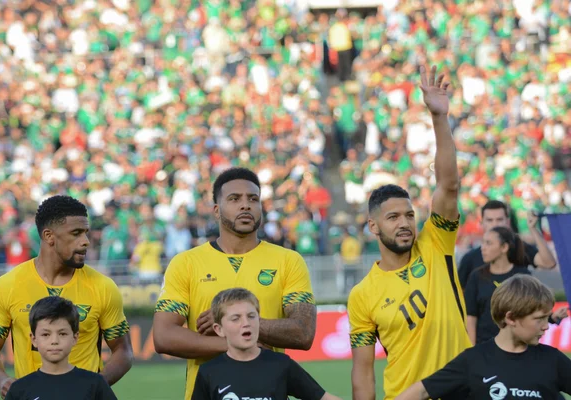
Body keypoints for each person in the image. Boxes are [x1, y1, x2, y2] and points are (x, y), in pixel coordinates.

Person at [348, 66, 471, 400]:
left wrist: (439, 118)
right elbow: (362, 371)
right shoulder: (362, 295)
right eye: (392, 218)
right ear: (373, 226)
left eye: (408, 215)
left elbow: (448, 185)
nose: (404, 223)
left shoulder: (436, 242)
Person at [153, 167, 317, 400]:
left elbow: (303, 332)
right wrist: (235, 342)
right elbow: (163, 336)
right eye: (234, 199)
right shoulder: (185, 263)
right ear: (217, 211)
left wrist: (242, 324)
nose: (245, 205)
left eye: (253, 199)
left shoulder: (288, 261)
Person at [0, 195, 133, 399]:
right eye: (76, 233)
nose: (86, 241)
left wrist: (94, 387)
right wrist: (1, 380)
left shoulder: (103, 287)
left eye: (86, 233)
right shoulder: (9, 285)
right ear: (49, 236)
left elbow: (123, 350)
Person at [395, 275, 571, 400]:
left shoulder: (553, 360)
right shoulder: (473, 361)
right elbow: (421, 392)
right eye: (539, 318)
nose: (546, 325)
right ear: (510, 318)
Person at [191, 288, 341, 400]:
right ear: (219, 329)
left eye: (251, 316)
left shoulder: (281, 364)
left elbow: (323, 398)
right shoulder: (208, 372)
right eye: (236, 318)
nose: (246, 323)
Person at [465, 226, 569, 345]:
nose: (483, 248)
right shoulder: (476, 276)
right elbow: (471, 317)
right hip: (484, 347)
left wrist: (552, 317)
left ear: (504, 247)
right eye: (483, 243)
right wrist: (472, 349)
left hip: (518, 348)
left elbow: (532, 310)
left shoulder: (523, 276)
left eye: (488, 243)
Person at [4, 296, 117, 400]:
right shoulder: (19, 389)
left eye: (62, 334)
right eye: (46, 335)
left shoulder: (95, 384)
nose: (54, 341)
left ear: (75, 337)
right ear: (34, 339)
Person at [458, 200, 557, 288]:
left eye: (499, 219)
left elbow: (549, 263)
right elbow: (459, 293)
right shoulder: (470, 259)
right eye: (489, 220)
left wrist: (533, 229)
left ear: (507, 222)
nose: (495, 224)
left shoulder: (520, 248)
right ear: (482, 223)